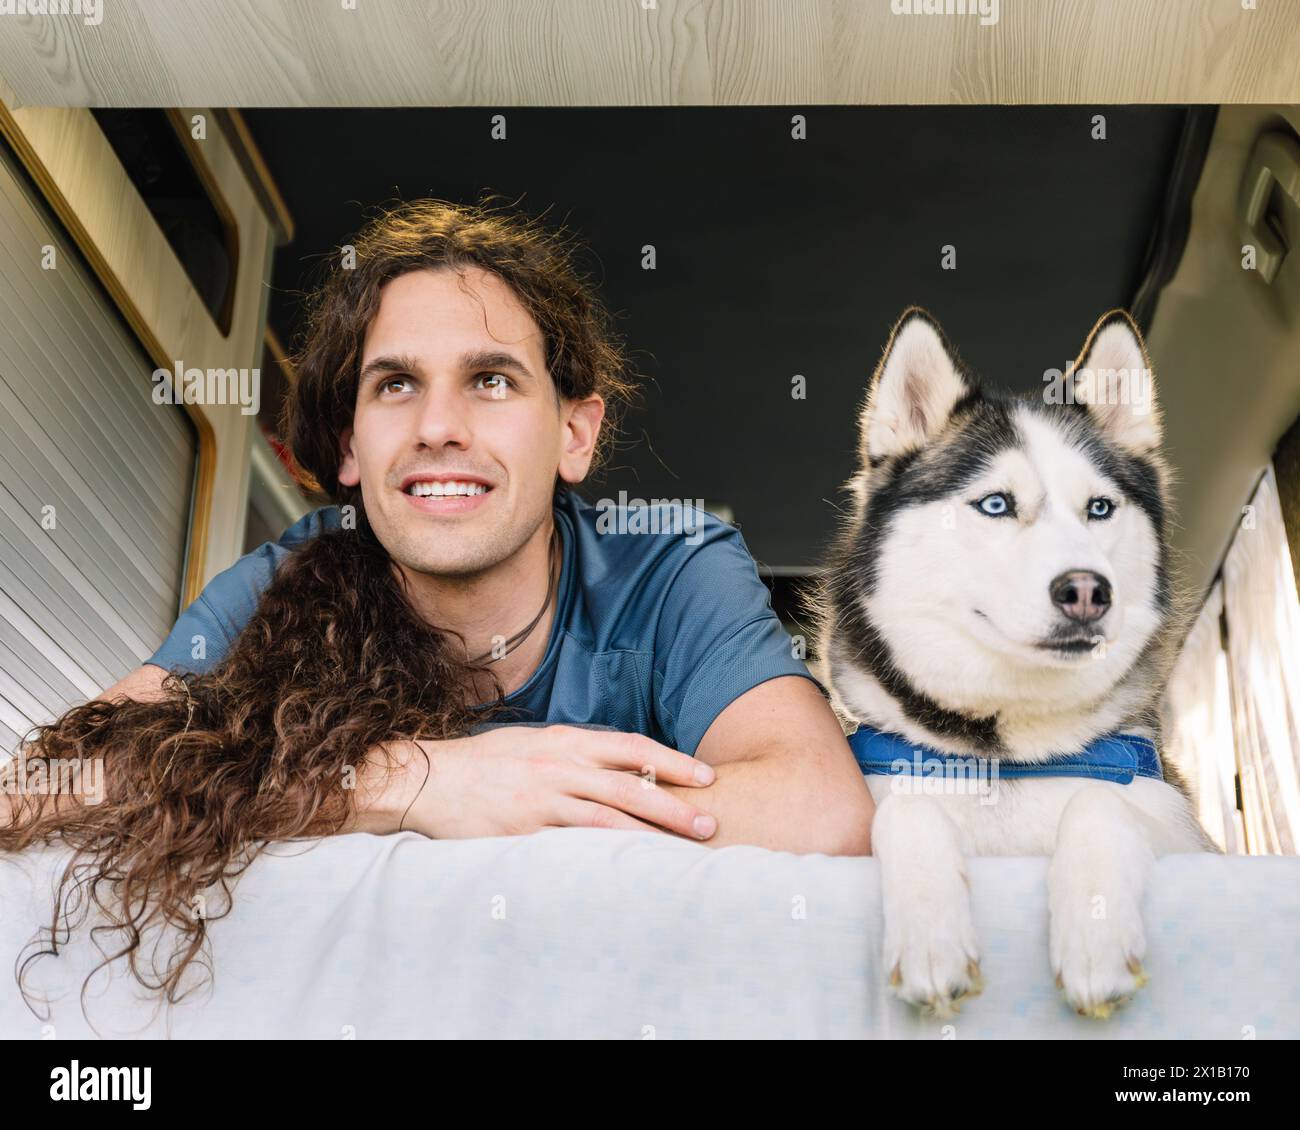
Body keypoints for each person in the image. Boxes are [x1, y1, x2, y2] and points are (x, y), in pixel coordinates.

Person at [1, 197, 872, 1003]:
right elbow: (37, 789)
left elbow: (818, 805)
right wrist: (417, 781)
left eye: (491, 380)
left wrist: (525, 806)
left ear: (575, 433)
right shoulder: (284, 580)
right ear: (348, 446)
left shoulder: (673, 566)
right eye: (395, 384)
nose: (438, 426)